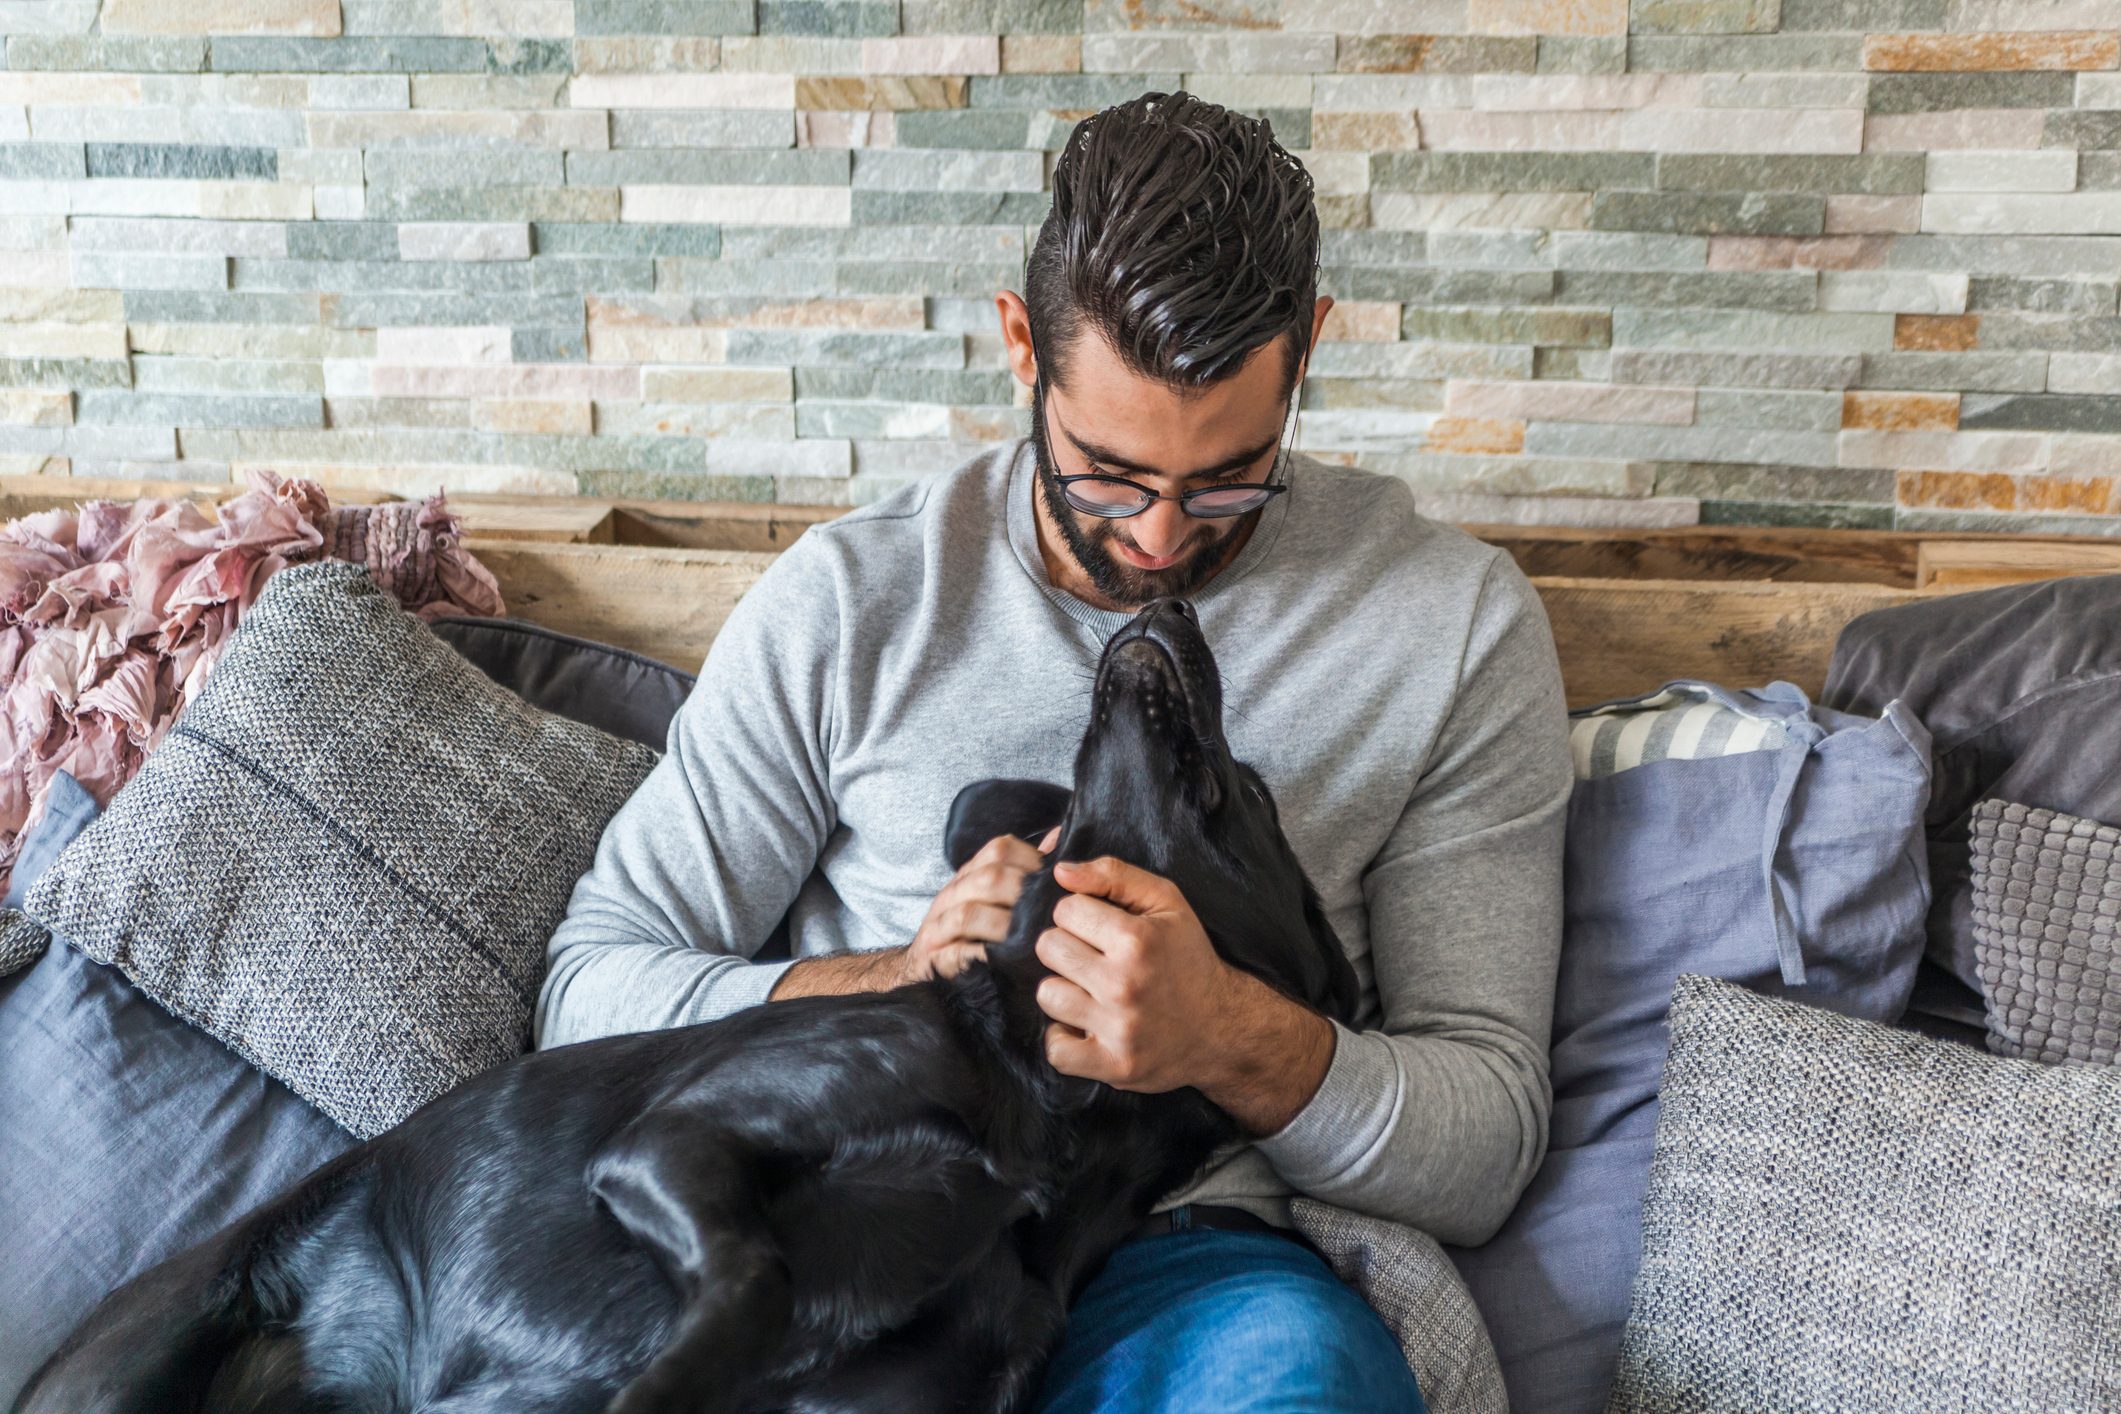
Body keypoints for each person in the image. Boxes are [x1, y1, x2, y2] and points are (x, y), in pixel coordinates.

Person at [535, 90, 1573, 1414]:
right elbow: (586, 989)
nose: (1156, 538)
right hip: (860, 1241)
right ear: (1021, 346)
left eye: (1228, 479)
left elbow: (1482, 1140)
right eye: (1106, 473)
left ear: (1306, 351)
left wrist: (1226, 1036)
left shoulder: (1447, 624)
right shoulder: (853, 602)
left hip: (1189, 1267)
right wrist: (890, 975)